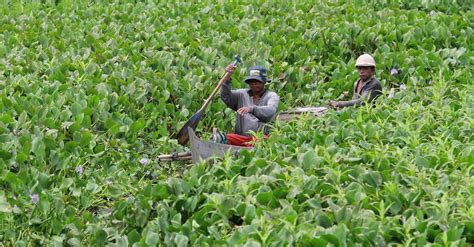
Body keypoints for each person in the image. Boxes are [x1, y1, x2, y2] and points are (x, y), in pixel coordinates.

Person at [213, 64, 279, 146]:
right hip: (241, 138)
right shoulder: (242, 94)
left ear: (264, 82)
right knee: (222, 138)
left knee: (259, 140)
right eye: (251, 81)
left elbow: (271, 110)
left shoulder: (272, 96)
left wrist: (252, 109)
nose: (254, 84)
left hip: (260, 140)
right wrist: (227, 78)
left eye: (257, 81)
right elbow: (226, 96)